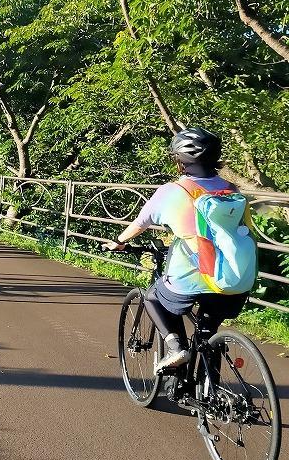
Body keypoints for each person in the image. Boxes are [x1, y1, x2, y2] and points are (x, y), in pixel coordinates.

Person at [104, 127, 256, 374]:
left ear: (180, 159)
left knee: (153, 297)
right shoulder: (232, 190)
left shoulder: (171, 191)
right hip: (235, 275)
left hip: (193, 275)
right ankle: (211, 392)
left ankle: (176, 349)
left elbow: (141, 223)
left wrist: (119, 241)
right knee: (208, 334)